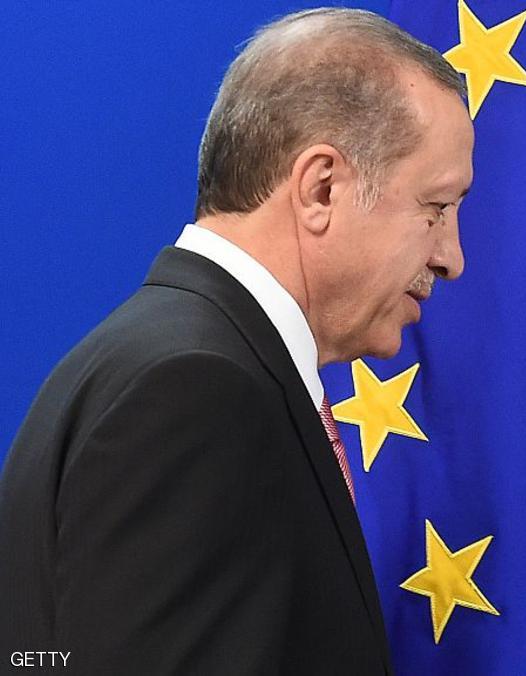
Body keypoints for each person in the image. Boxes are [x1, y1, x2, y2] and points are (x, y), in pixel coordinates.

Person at [0, 8, 472, 674]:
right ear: (321, 188)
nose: (452, 256)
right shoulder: (195, 393)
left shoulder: (169, 358)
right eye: (436, 207)